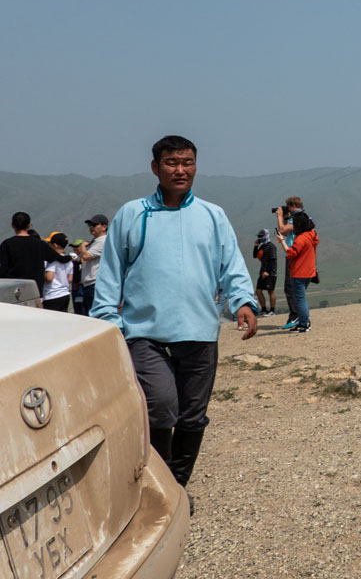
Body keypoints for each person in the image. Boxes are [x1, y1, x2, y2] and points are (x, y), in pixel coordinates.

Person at [90, 135, 258, 506]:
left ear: (195, 166)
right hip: (144, 331)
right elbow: (111, 271)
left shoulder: (212, 215)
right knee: (161, 406)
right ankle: (158, 487)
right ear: (155, 167)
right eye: (171, 162)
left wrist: (243, 300)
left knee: (193, 416)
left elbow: (231, 263)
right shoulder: (132, 213)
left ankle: (176, 492)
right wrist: (107, 318)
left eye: (187, 162)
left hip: (199, 330)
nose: (180, 170)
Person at [0, 211, 74, 297]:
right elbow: (60, 258)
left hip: (14, 291)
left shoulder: (7, 244)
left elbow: (3, 268)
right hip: (35, 290)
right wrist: (71, 257)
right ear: (29, 225)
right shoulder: (40, 244)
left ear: (13, 225)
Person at [278, 211, 317, 333]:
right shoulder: (312, 234)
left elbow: (290, 254)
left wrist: (282, 241)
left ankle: (304, 324)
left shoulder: (301, 239)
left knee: (300, 299)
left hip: (299, 272)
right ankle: (304, 322)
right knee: (301, 297)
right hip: (309, 271)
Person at [274, 197, 305, 329]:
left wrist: (280, 216)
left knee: (290, 287)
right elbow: (288, 233)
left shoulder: (297, 218)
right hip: (298, 254)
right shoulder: (301, 217)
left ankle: (295, 315)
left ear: (292, 206)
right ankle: (300, 316)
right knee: (295, 287)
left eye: (287, 207)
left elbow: (282, 230)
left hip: (293, 254)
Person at [76, 214, 109, 313]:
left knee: (95, 313)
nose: (91, 227)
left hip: (95, 283)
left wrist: (82, 246)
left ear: (104, 227)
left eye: (94, 225)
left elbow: (86, 256)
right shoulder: (95, 241)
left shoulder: (103, 241)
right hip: (89, 284)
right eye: (89, 225)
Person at [41, 232, 75, 312]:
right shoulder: (69, 260)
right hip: (65, 294)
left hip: (52, 295)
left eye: (49, 243)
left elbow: (49, 278)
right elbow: (70, 279)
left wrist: (40, 277)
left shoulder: (53, 260)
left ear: (55, 245)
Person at [253, 229, 278, 316]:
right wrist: (256, 246)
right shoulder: (262, 246)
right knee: (258, 291)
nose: (260, 238)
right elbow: (255, 255)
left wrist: (267, 272)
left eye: (261, 236)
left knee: (270, 291)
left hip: (270, 273)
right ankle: (263, 309)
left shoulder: (271, 246)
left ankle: (272, 310)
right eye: (259, 236)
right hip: (262, 272)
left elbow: (272, 261)